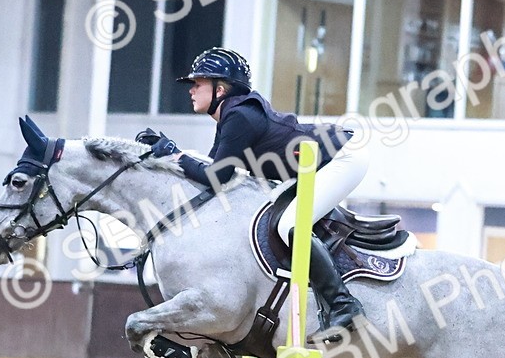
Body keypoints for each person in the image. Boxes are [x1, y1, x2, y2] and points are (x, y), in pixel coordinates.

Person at [137, 47, 366, 336]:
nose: (191, 90)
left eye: (198, 84)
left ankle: (344, 304)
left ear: (220, 89)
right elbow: (211, 170)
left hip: (344, 157)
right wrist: (171, 153)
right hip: (316, 162)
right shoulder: (230, 117)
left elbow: (216, 177)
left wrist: (175, 155)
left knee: (290, 225)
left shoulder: (241, 117)